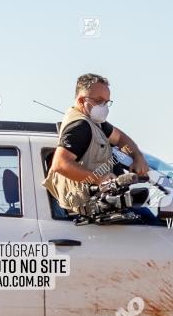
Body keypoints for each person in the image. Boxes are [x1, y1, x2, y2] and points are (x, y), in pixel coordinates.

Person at [43, 73, 150, 214]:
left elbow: (121, 139)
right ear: (82, 101)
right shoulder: (80, 126)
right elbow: (60, 164)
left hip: (108, 204)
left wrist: (137, 157)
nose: (104, 106)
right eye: (99, 101)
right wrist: (100, 180)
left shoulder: (95, 123)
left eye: (106, 102)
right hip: (92, 207)